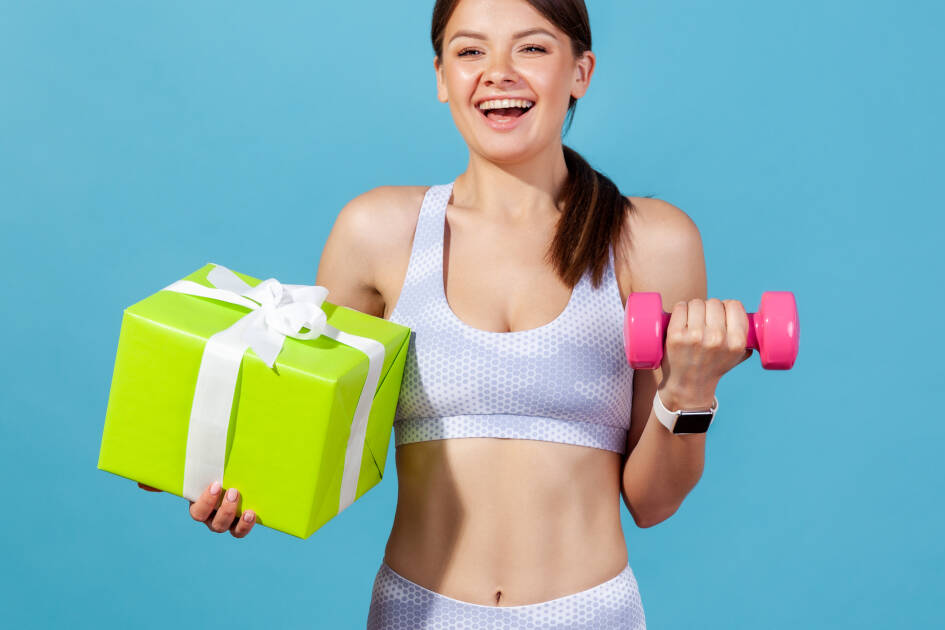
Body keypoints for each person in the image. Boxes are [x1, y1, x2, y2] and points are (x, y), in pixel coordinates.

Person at [143, 0, 753, 627]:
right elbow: (305, 433)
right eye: (470, 51)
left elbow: (653, 502)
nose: (498, 72)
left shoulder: (649, 241)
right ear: (441, 78)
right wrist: (207, 470)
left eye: (533, 48)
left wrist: (689, 389)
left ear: (581, 72)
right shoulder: (377, 233)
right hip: (418, 614)